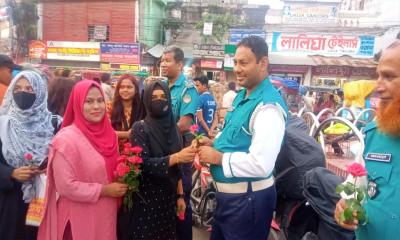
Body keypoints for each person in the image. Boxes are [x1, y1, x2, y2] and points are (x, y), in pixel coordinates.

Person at [196, 36, 288, 240]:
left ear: (263, 63)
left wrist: (218, 157)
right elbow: (234, 136)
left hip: (247, 202)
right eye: (235, 62)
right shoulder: (242, 97)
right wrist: (214, 143)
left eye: (243, 63)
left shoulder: (268, 107)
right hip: (229, 200)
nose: (237, 68)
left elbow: (261, 164)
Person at [38, 80, 128, 240]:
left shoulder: (110, 135)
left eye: (100, 100)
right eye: (89, 101)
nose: (96, 106)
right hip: (78, 219)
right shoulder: (66, 140)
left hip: (106, 215)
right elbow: (66, 186)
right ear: (77, 103)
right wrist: (104, 190)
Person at [334, 40, 400, 239]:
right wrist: (343, 207)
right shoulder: (372, 134)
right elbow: (355, 188)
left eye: (388, 77)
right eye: (378, 76)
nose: (378, 87)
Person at [117, 80, 197, 240]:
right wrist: (176, 157)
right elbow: (144, 164)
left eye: (162, 97)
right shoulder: (140, 128)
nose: (159, 101)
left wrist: (180, 196)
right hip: (146, 199)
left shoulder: (174, 128)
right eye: (154, 97)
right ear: (146, 100)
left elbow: (178, 169)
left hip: (168, 200)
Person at [0, 70, 60, 240]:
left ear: (40, 91)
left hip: (45, 199)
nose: (22, 92)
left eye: (29, 88)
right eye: (17, 88)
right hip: (9, 202)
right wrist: (11, 173)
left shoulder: (54, 124)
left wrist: (48, 169)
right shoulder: (3, 125)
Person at [160, 45, 199, 240]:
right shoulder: (163, 86)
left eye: (167, 61)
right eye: (162, 61)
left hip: (181, 153)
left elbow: (184, 123)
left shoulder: (187, 88)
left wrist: (156, 135)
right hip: (164, 152)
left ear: (179, 64)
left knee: (181, 200)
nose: (163, 64)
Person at [108, 74, 143, 151]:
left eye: (129, 87)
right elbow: (104, 132)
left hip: (136, 154)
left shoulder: (142, 108)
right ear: (118, 90)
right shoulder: (109, 107)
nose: (125, 90)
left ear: (136, 90)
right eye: (122, 87)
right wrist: (126, 134)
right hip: (114, 151)